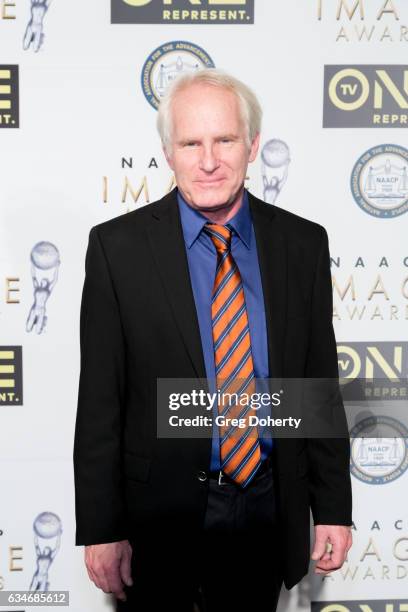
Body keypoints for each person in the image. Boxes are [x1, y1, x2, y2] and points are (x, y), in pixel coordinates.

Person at [73, 69, 352, 612]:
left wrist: (334, 508)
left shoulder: (303, 244)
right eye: (190, 143)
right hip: (158, 519)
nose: (207, 161)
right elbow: (101, 401)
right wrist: (101, 527)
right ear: (167, 152)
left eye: (224, 140)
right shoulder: (117, 249)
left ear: (252, 147)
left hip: (269, 511)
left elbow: (317, 387)